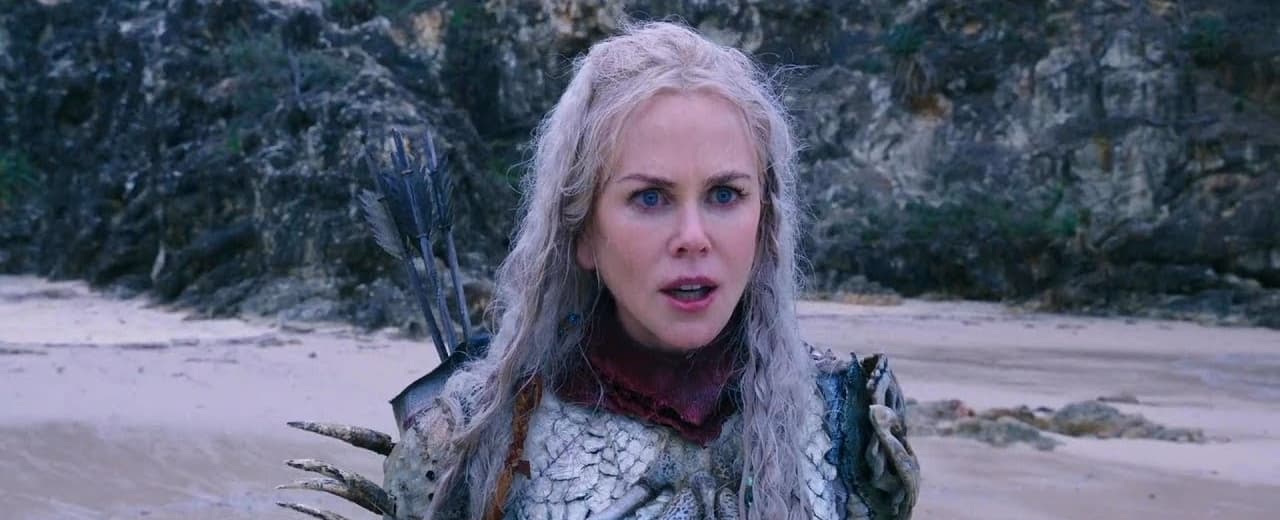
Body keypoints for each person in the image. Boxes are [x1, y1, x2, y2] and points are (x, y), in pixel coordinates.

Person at [283, 20, 918, 520]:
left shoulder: (847, 420)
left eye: (725, 194)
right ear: (583, 231)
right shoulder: (477, 434)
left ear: (766, 218)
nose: (693, 238)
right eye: (650, 197)